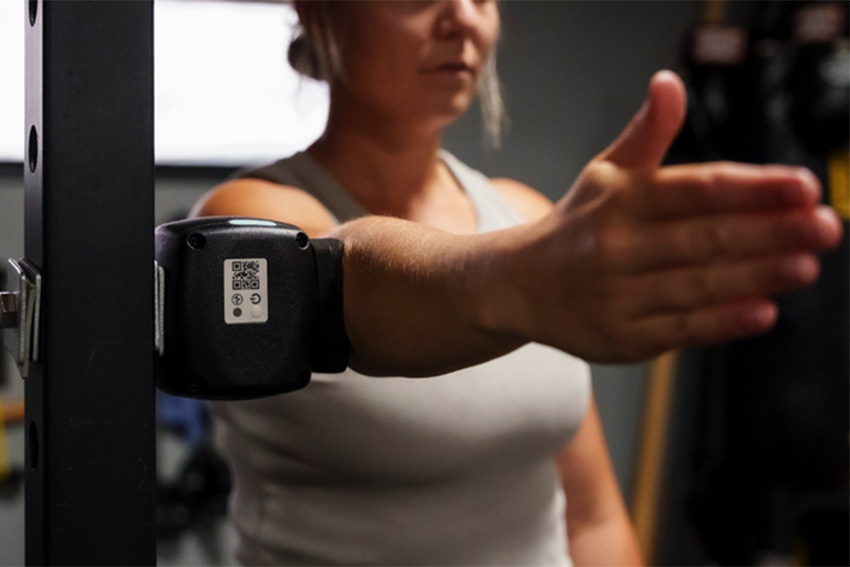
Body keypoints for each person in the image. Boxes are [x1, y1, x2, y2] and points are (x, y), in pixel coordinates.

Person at [190, 1, 842, 565]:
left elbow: (591, 516)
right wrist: (507, 282)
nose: (462, 19)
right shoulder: (254, 222)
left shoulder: (528, 217)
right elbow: (352, 280)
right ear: (315, 9)